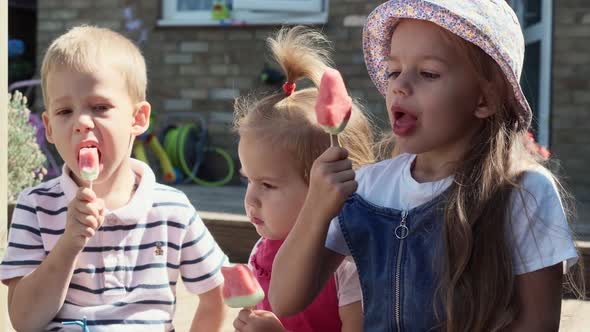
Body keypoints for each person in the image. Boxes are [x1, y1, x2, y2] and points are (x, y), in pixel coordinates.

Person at [269, 1, 581, 331]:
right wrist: (316, 208)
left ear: (485, 99)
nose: (399, 86)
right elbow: (286, 299)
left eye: (429, 73)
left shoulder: (523, 192)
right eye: (393, 71)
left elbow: (539, 322)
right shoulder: (367, 189)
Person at [0, 26, 228, 332]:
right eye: (65, 111)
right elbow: (24, 321)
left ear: (138, 118)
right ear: (49, 127)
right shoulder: (35, 207)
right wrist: (69, 244)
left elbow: (216, 295)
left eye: (99, 107)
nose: (81, 122)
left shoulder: (173, 210)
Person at [232, 26, 374, 332]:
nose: (251, 199)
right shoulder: (263, 248)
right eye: (248, 180)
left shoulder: (346, 264)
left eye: (267, 184)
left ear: (329, 184)